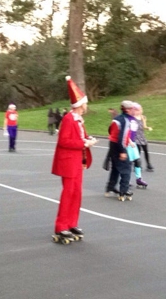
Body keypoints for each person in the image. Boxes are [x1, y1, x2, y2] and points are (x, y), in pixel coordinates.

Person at [51, 76, 98, 243]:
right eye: (85, 103)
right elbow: (63, 141)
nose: (87, 105)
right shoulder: (68, 119)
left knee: (76, 194)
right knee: (68, 194)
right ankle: (61, 226)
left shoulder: (78, 120)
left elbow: (81, 136)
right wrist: (84, 143)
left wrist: (88, 139)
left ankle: (72, 223)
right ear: (80, 105)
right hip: (69, 162)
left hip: (77, 162)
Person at [105, 100, 135, 201]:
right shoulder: (125, 121)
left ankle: (110, 186)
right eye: (132, 109)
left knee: (116, 168)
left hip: (112, 144)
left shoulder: (116, 118)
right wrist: (122, 151)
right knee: (126, 168)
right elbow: (121, 137)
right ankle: (124, 190)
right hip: (119, 145)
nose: (133, 111)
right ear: (127, 110)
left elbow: (110, 130)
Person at [128, 103, 149, 189]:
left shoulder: (138, 118)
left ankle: (139, 179)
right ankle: (126, 179)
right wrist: (129, 141)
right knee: (128, 162)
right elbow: (125, 132)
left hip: (134, 142)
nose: (140, 111)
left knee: (137, 161)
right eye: (138, 110)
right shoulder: (128, 119)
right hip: (128, 143)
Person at [133, 103, 154, 171]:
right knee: (138, 152)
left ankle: (148, 164)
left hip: (142, 136)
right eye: (139, 110)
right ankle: (137, 165)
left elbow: (144, 126)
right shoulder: (132, 118)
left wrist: (148, 128)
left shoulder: (143, 117)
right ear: (135, 110)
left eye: (141, 109)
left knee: (146, 151)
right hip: (135, 137)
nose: (141, 111)